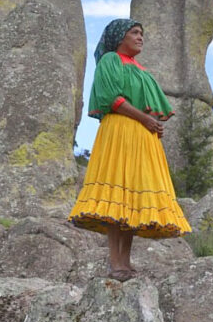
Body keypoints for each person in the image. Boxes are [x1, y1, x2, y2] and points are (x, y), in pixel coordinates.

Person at [69, 18, 191, 280]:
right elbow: (111, 99)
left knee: (133, 201)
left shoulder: (142, 71)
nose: (140, 37)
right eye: (134, 32)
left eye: (142, 33)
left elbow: (152, 107)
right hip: (120, 132)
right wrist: (146, 120)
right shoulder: (110, 61)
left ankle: (126, 260)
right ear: (119, 37)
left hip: (141, 137)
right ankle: (116, 263)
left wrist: (154, 124)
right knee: (117, 198)